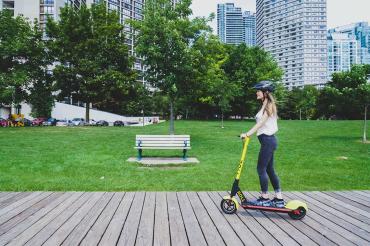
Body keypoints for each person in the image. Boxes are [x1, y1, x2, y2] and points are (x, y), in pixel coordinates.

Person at [240, 80, 285, 208]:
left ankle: (264, 197)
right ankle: (278, 199)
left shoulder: (269, 106)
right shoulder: (265, 104)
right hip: (267, 141)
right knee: (269, 170)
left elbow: (260, 123)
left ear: (265, 93)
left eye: (258, 90)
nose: (256, 92)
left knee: (261, 168)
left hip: (268, 141)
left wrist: (247, 134)